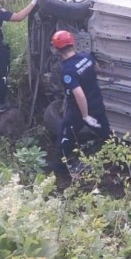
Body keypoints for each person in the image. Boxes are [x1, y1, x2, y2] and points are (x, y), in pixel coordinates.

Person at [51, 30, 111, 166]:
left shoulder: (67, 70)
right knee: (106, 134)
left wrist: (85, 116)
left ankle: (60, 167)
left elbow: (79, 95)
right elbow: (97, 68)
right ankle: (118, 159)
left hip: (78, 112)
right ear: (73, 44)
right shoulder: (86, 57)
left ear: (56, 49)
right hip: (97, 104)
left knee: (66, 135)